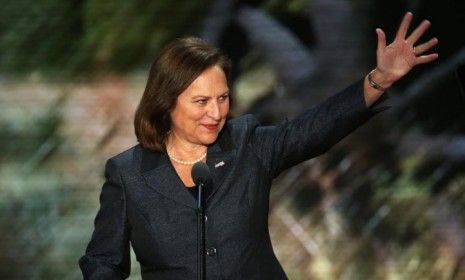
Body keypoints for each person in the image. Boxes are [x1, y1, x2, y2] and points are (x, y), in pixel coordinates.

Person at [79, 12, 438, 279]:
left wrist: (379, 79)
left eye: (222, 98)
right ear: (167, 101)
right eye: (201, 102)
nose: (216, 113)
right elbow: (103, 261)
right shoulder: (128, 174)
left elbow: (314, 128)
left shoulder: (248, 146)